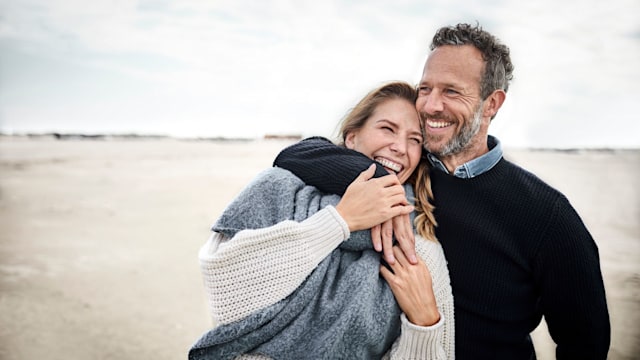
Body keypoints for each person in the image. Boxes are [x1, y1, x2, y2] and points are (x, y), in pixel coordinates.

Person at [274, 23, 611, 359]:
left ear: (492, 103)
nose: (431, 106)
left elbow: (586, 343)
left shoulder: (546, 214)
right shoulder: (406, 168)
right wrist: (380, 180)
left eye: (452, 91)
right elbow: (297, 154)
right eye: (425, 89)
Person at [189, 82, 454, 359]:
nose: (400, 147)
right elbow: (225, 296)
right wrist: (339, 221)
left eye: (415, 140)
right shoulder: (278, 187)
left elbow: (441, 351)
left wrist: (424, 324)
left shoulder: (416, 241)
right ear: (351, 137)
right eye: (387, 129)